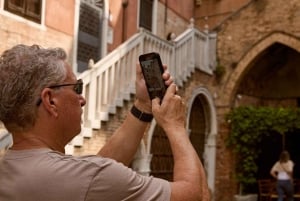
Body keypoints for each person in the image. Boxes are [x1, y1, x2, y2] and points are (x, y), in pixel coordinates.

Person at [0, 44, 210, 201]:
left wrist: (143, 105)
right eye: (77, 88)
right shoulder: (88, 177)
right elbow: (197, 194)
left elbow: (94, 174)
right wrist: (175, 125)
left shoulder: (11, 167)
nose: (82, 99)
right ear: (50, 101)